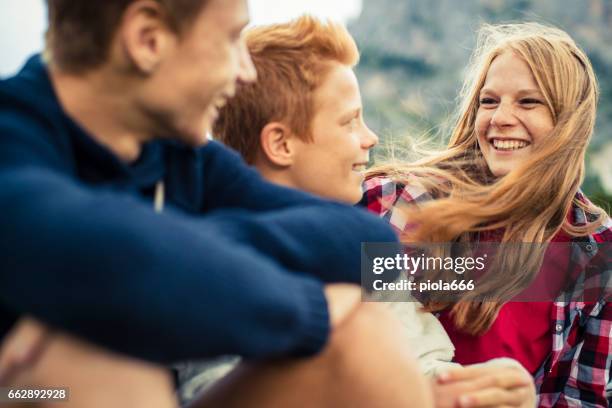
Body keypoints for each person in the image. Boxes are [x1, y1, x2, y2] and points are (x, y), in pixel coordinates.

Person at [0, 1, 434, 407]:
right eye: (230, 40)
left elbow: (365, 239)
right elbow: (109, 259)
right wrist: (315, 309)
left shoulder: (181, 159)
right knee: (87, 364)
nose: (245, 72)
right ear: (148, 40)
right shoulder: (13, 140)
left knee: (361, 330)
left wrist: (180, 249)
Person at [213, 16, 536, 408]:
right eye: (350, 121)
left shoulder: (360, 244)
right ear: (281, 144)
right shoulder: (211, 256)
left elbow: (424, 359)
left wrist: (475, 388)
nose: (371, 138)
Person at [362, 22, 611, 407]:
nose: (500, 118)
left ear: (569, 121)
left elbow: (582, 398)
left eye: (528, 102)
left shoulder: (596, 249)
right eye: (489, 101)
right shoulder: (402, 201)